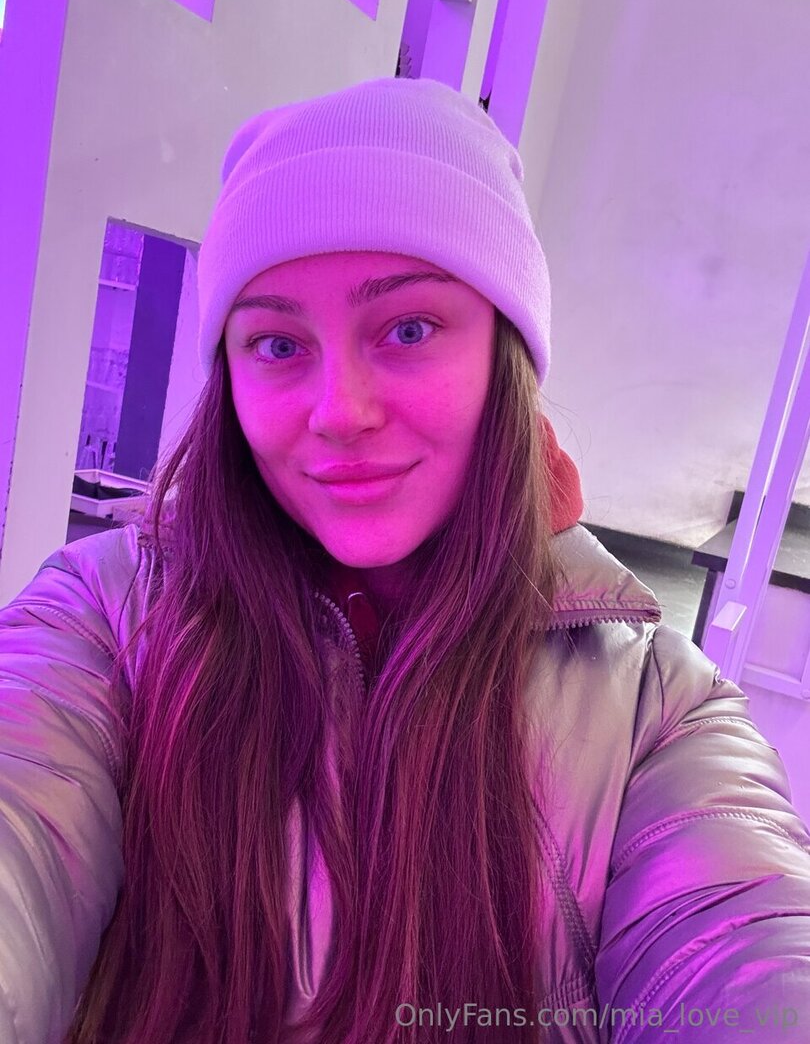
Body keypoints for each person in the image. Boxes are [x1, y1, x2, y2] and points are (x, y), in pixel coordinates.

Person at [0, 77, 808, 1044]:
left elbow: (745, 954)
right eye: (277, 343)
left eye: (409, 329)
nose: (339, 410)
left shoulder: (654, 717)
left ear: (505, 353)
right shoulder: (104, 617)